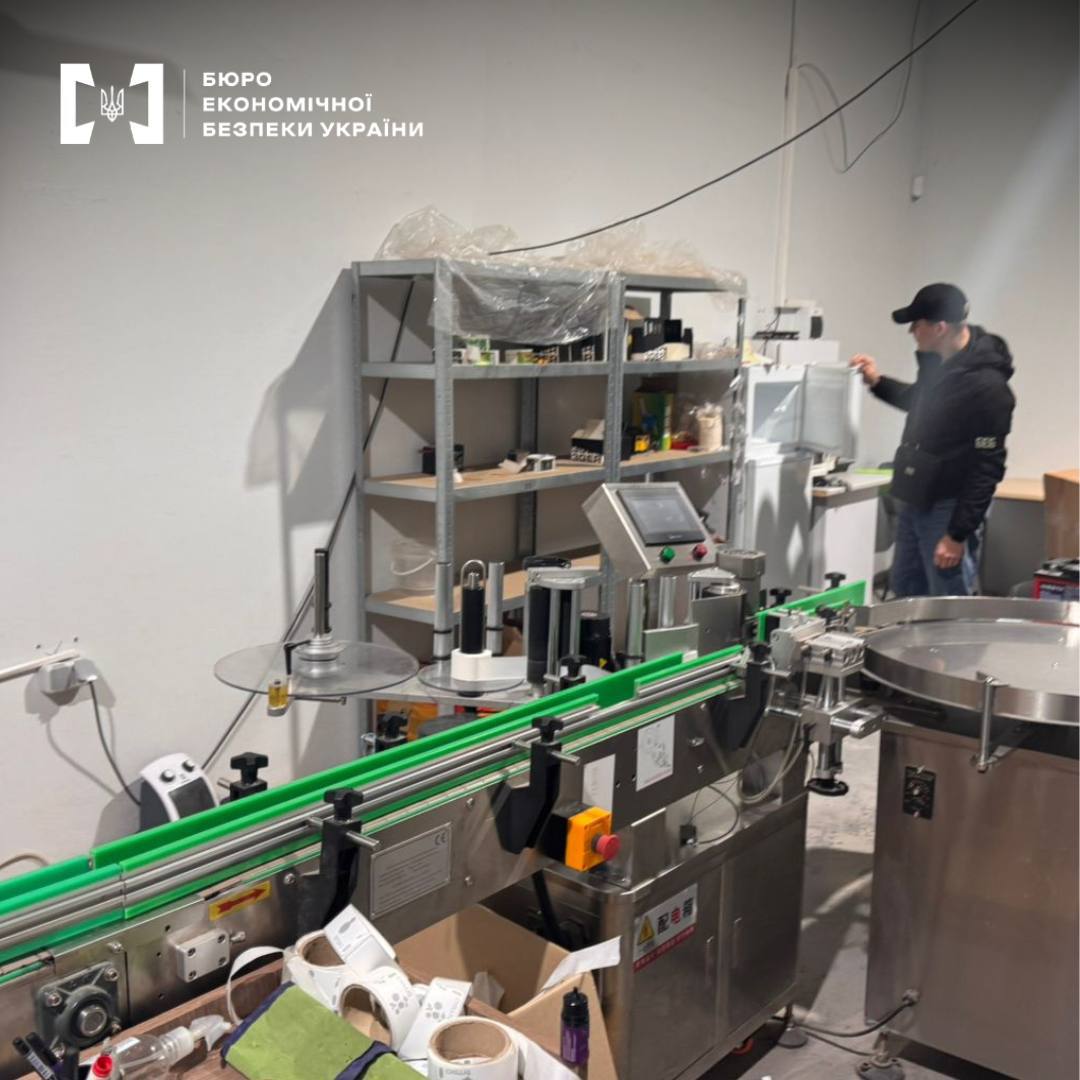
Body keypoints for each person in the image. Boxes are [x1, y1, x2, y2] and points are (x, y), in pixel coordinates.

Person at [851, 283, 1015, 597]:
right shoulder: (940, 366)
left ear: (939, 328)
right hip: (915, 497)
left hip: (948, 508)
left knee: (947, 601)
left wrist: (956, 535)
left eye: (916, 324)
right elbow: (918, 402)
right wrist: (876, 381)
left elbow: (987, 468)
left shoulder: (988, 388)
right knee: (906, 591)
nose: (912, 331)